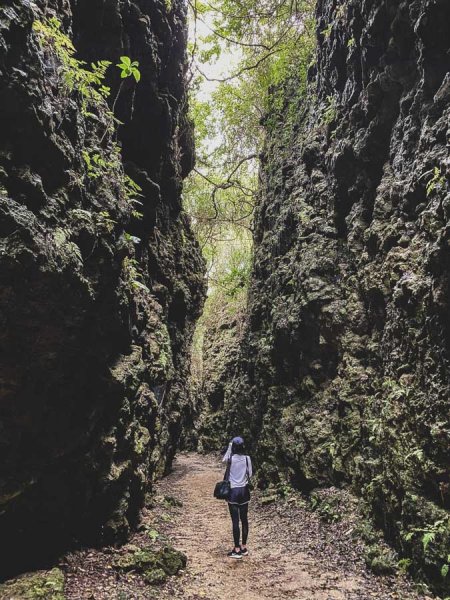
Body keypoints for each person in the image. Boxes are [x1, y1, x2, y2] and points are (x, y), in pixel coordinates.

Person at [222, 436, 253, 559]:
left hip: (233, 492)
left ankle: (236, 549)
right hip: (244, 491)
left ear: (233, 446)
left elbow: (223, 460)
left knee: (235, 521)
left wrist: (229, 447)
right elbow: (250, 474)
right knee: (244, 519)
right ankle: (244, 547)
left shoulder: (230, 459)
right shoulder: (247, 459)